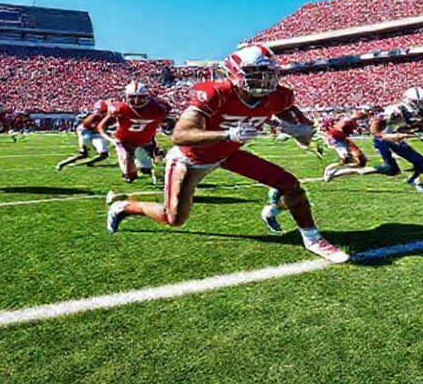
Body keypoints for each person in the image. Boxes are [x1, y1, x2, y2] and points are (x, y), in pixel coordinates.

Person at [106, 45, 350, 263]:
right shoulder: (216, 92)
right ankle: (125, 207)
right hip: (192, 157)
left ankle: (312, 238)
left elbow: (293, 120)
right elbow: (180, 135)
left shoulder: (279, 95)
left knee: (290, 184)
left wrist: (298, 130)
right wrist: (227, 134)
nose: (265, 80)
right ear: (236, 73)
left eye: (269, 73)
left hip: (228, 153)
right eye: (257, 73)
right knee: (174, 218)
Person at [97, 81, 170, 184]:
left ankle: (155, 173)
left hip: (147, 140)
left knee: (155, 163)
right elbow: (101, 126)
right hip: (125, 142)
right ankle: (132, 172)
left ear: (147, 97)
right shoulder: (120, 108)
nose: (136, 101)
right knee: (130, 175)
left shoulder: (158, 108)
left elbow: (165, 121)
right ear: (126, 97)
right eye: (132, 97)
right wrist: (110, 139)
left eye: (141, 97)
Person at [56, 100, 110, 171]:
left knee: (103, 154)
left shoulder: (103, 116)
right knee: (83, 153)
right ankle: (62, 164)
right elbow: (86, 125)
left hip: (92, 132)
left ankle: (88, 162)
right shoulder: (95, 116)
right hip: (86, 132)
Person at [321, 110, 367, 182]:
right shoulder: (346, 121)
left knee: (361, 161)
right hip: (336, 139)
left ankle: (335, 172)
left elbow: (353, 128)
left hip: (343, 139)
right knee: (346, 159)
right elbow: (336, 131)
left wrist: (358, 129)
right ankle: (330, 171)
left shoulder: (352, 122)